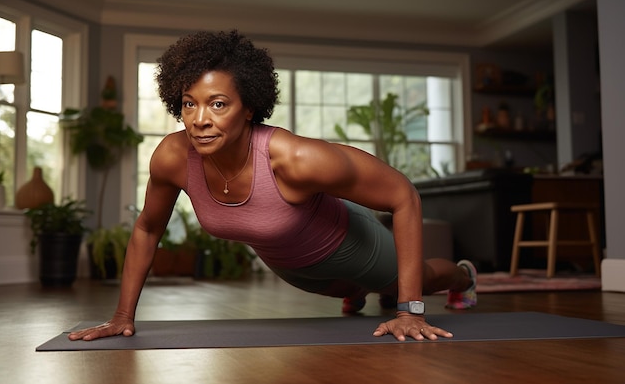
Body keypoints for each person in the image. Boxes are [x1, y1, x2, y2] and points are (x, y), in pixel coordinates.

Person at [68, 30, 477, 343]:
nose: (199, 119)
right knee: (356, 291)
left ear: (249, 107)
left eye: (218, 103)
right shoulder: (173, 158)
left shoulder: (295, 158)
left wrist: (411, 309)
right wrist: (122, 316)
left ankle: (462, 278)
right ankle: (369, 292)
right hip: (295, 269)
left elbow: (403, 195)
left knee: (415, 277)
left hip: (353, 245)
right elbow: (147, 228)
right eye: (189, 103)